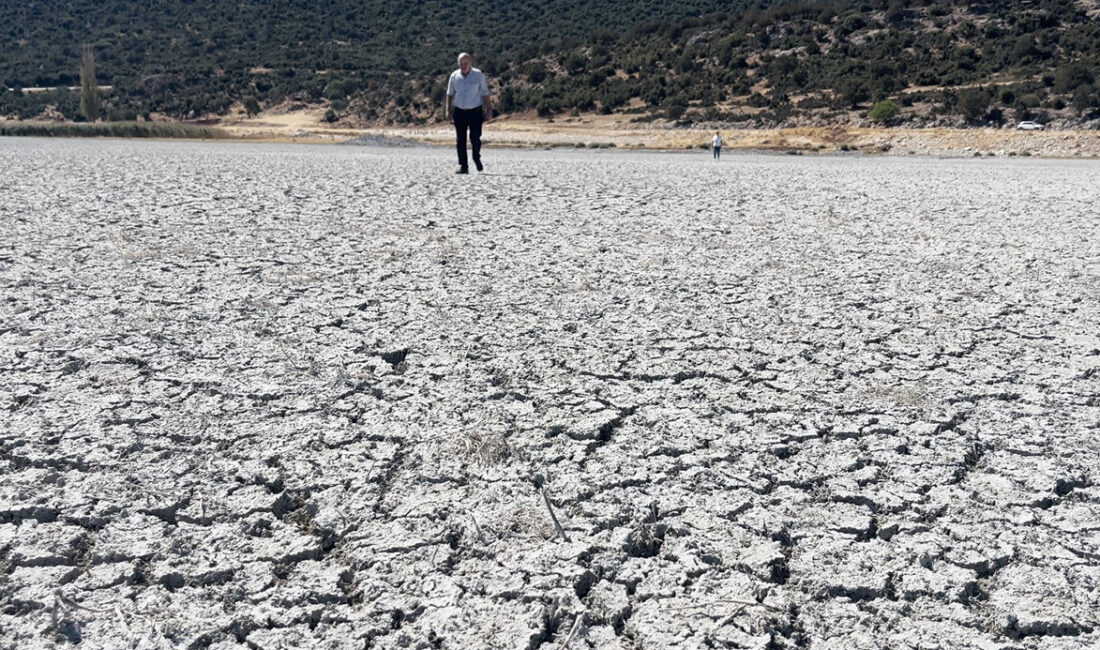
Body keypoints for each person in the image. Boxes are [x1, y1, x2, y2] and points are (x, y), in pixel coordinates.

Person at [445, 52, 493, 174]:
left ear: (470, 63)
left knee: (475, 138)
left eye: (465, 63)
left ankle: (476, 157)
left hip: (475, 112)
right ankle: (463, 166)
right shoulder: (454, 76)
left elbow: (485, 93)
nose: (463, 66)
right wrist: (448, 111)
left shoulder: (478, 75)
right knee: (460, 140)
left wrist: (489, 109)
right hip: (459, 112)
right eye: (461, 63)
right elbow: (450, 94)